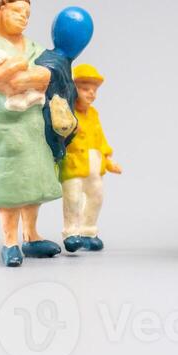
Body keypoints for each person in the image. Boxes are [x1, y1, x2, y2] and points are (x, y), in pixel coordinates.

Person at [0, 0, 64, 267]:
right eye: (17, 12)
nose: (23, 18)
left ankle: (31, 235)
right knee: (10, 184)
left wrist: (21, 79)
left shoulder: (32, 46)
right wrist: (22, 78)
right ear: (0, 12)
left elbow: (48, 74)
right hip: (4, 125)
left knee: (32, 180)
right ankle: (10, 241)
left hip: (32, 124)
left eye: (27, 14)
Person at [60, 64, 121, 252]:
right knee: (73, 198)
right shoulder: (66, 112)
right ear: (73, 89)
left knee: (96, 197)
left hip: (95, 164)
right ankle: (72, 233)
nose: (91, 94)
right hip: (74, 164)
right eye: (86, 89)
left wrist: (108, 159)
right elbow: (58, 133)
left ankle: (88, 230)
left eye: (94, 90)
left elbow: (100, 138)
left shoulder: (94, 114)